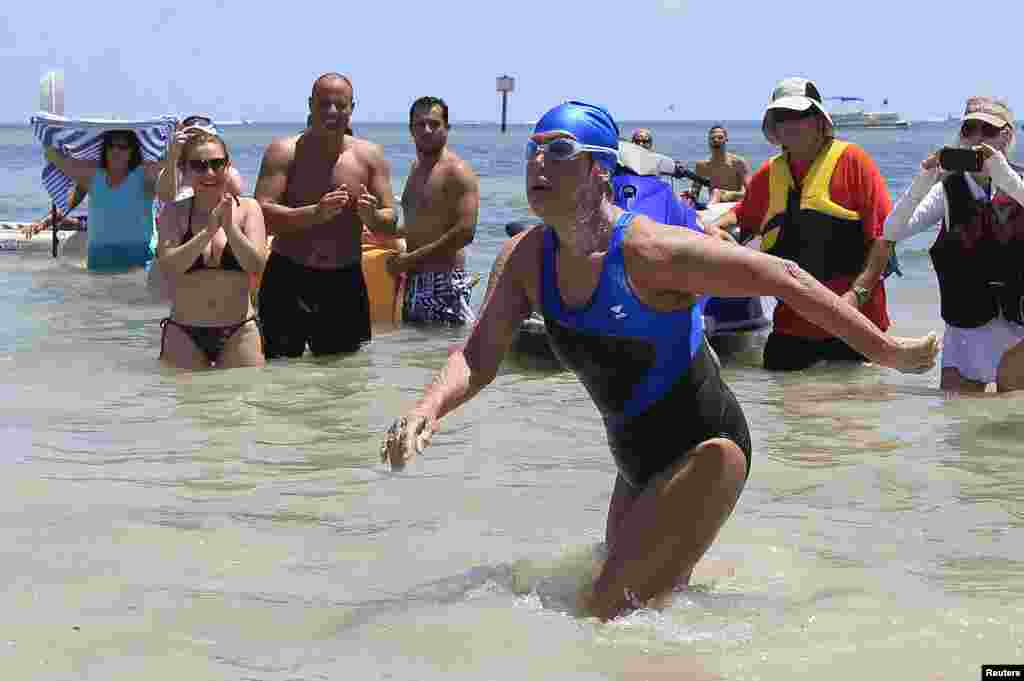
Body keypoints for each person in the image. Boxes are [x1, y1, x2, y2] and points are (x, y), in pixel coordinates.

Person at [380, 100, 939, 622]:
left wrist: (888, 351)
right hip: (635, 463)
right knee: (634, 607)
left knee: (600, 615)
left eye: (559, 150)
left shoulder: (650, 252)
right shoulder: (526, 257)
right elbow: (478, 356)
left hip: (705, 449)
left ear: (601, 169)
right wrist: (428, 407)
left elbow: (782, 276)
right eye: (533, 148)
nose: (537, 163)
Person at [704, 77, 893, 371]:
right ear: (773, 127)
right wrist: (716, 227)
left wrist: (856, 296)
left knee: (856, 415)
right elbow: (743, 213)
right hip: (791, 327)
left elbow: (885, 238)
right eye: (781, 116)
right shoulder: (770, 173)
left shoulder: (854, 161)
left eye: (799, 114)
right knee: (785, 412)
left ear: (819, 120)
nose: (789, 123)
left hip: (855, 324)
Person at [867, 96, 1024, 392]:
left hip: (1018, 327)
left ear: (1007, 136)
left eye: (987, 131)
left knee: (1011, 424)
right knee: (960, 425)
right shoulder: (948, 189)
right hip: (966, 323)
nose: (977, 138)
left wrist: (1005, 177)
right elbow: (892, 230)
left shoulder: (1019, 182)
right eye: (969, 130)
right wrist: (923, 180)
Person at [254, 72, 398, 357]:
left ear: (352, 108)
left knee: (342, 378)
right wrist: (314, 213)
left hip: (343, 280)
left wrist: (372, 217)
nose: (332, 112)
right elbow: (262, 214)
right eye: (324, 104)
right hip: (288, 275)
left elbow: (390, 219)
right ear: (310, 105)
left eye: (340, 105)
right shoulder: (283, 152)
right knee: (278, 374)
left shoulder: (370, 156)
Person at [156, 131, 267, 369]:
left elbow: (256, 265)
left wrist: (229, 228)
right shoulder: (173, 212)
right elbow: (169, 267)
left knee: (244, 405)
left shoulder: (249, 208)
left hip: (240, 330)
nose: (209, 173)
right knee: (190, 405)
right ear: (185, 171)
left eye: (217, 164)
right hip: (184, 332)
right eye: (199, 166)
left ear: (228, 166)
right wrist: (207, 232)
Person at [387, 96, 480, 326]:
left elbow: (465, 232)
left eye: (434, 124)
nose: (427, 130)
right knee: (417, 357)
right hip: (414, 280)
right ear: (411, 130)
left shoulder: (457, 171)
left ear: (447, 128)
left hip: (444, 282)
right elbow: (423, 223)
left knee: (439, 356)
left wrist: (408, 260)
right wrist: (386, 232)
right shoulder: (416, 167)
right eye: (420, 124)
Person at [43, 129, 172, 271]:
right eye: (111, 146)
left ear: (132, 151)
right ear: (105, 149)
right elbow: (54, 156)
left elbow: (169, 170)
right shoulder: (92, 175)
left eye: (123, 147)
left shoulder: (145, 175)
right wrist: (48, 130)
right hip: (100, 258)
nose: (116, 151)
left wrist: (174, 147)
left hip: (140, 257)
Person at [162, 115, 245, 202]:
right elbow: (166, 198)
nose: (196, 142)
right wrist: (172, 157)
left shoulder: (228, 172)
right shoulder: (173, 168)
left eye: (201, 137)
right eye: (189, 137)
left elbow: (237, 203)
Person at [694, 125, 750, 204]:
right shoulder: (702, 166)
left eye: (720, 137)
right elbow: (695, 193)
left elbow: (752, 192)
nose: (716, 140)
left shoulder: (738, 163)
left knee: (717, 192)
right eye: (712, 138)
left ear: (726, 139)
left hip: (734, 206)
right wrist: (689, 195)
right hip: (715, 205)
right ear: (708, 141)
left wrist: (730, 195)